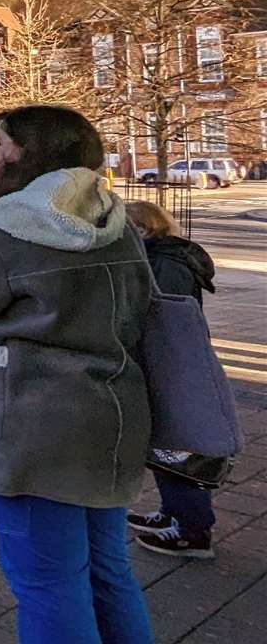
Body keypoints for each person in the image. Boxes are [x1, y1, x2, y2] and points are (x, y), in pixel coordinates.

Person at [0, 105, 153, 644]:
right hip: (112, 418)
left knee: (48, 584)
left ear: (29, 153)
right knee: (109, 573)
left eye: (4, 145)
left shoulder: (6, 227)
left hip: (31, 428)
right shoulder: (115, 221)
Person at [124, 198, 219, 560]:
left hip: (169, 367)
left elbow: (160, 319)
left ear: (144, 230)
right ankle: (174, 512)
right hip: (170, 365)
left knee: (176, 448)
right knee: (166, 447)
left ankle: (193, 531)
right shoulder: (165, 257)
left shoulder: (162, 263)